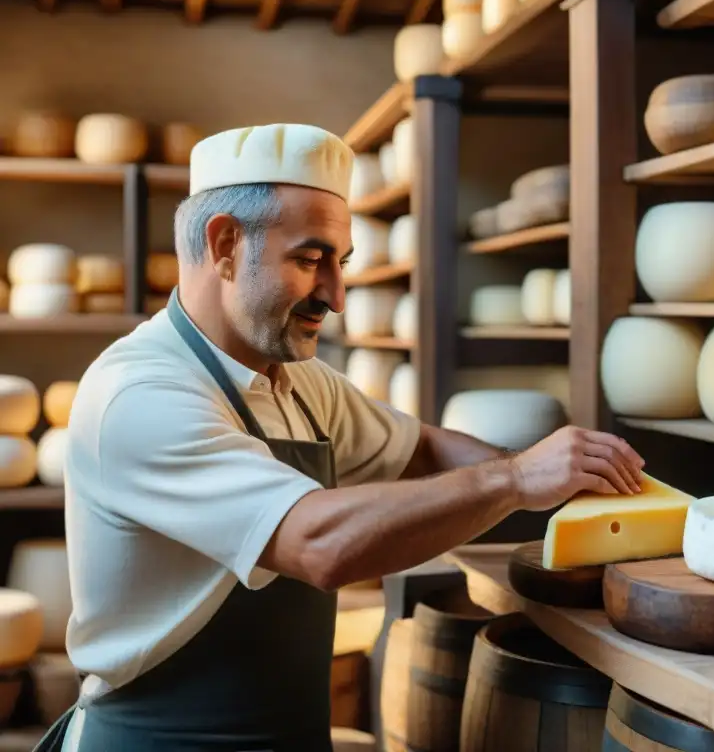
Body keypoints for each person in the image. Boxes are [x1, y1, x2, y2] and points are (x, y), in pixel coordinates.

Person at [35, 123, 645, 751]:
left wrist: (575, 489)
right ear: (223, 244)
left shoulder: (300, 381)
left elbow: (424, 450)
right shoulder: (141, 395)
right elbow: (318, 543)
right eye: (309, 259)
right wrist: (516, 479)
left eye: (341, 263)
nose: (336, 295)